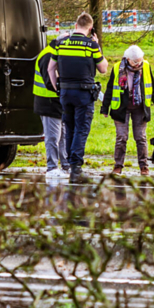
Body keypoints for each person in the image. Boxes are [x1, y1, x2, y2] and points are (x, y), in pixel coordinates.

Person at [47, 13, 108, 183]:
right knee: (81, 129)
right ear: (90, 28)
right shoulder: (91, 45)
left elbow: (51, 68)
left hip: (65, 93)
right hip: (84, 94)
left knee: (70, 128)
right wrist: (97, 45)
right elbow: (103, 68)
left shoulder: (61, 43)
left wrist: (57, 88)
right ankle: (75, 167)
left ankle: (71, 163)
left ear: (75, 25)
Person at [99, 44, 154, 176]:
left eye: (140, 60)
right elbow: (110, 88)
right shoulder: (117, 68)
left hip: (140, 108)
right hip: (121, 109)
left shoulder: (145, 66)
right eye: (135, 61)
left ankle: (144, 167)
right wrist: (105, 108)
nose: (138, 64)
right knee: (121, 137)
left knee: (141, 138)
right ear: (127, 59)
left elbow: (153, 88)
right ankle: (118, 166)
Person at [33, 36, 68, 178]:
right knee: (53, 137)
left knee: (63, 136)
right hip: (48, 102)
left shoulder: (54, 53)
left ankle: (65, 165)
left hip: (56, 102)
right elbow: (50, 82)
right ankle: (52, 167)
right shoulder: (48, 55)